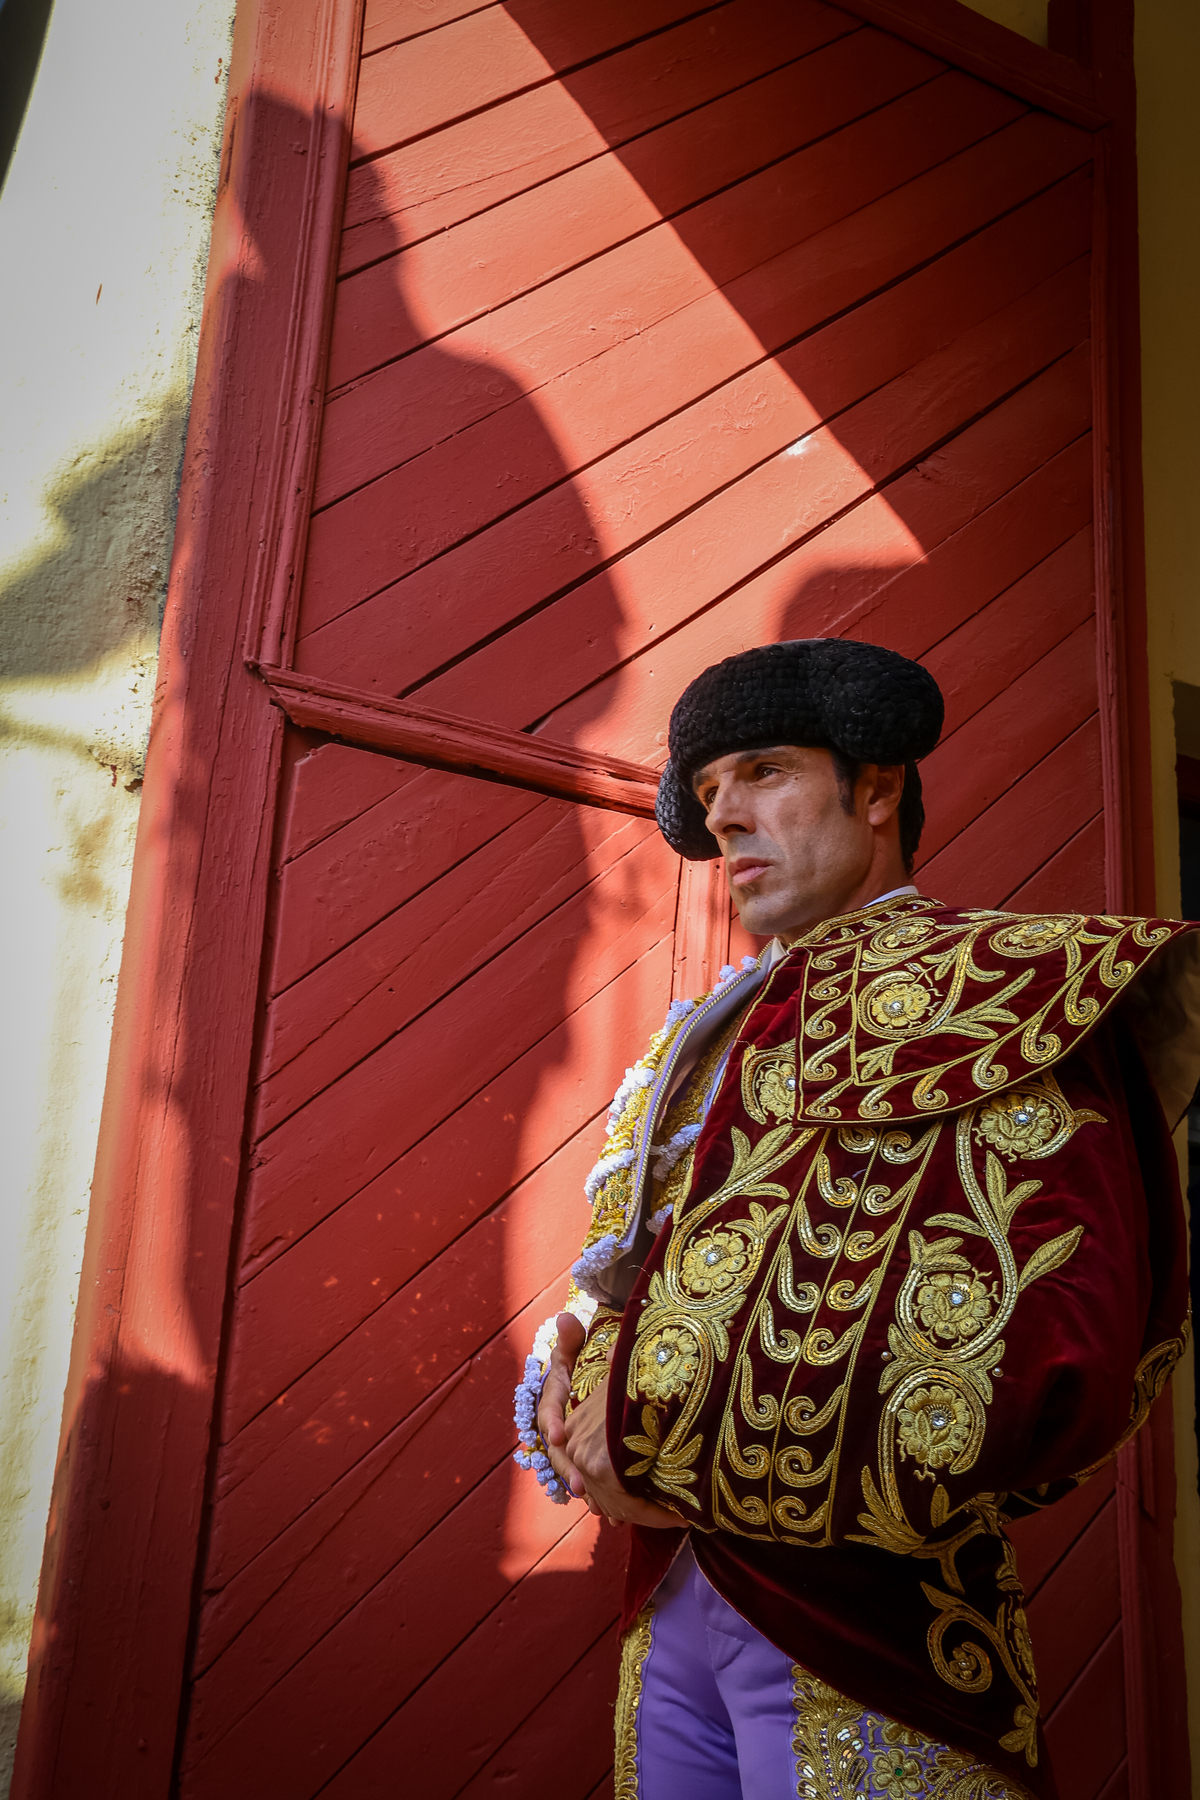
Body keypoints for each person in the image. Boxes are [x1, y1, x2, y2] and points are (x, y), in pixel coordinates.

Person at [512, 639, 1200, 1799]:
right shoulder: (704, 1037)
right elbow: (622, 1289)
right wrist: (578, 1395)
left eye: (765, 771)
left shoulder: (1012, 992)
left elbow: (1062, 1347)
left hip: (877, 1622)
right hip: (672, 1594)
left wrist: (659, 1450)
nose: (723, 814)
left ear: (876, 792)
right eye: (709, 789)